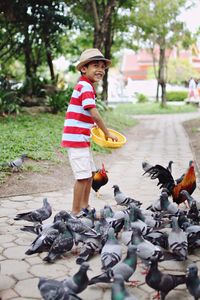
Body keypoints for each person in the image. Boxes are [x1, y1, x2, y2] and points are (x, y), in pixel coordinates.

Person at [61, 48, 118, 216]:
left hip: (82, 138)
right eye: (95, 65)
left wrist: (91, 128)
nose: (100, 69)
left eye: (102, 66)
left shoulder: (87, 86)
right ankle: (75, 211)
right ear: (84, 69)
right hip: (76, 140)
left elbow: (85, 115)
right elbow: (95, 113)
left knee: (90, 174)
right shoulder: (85, 86)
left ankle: (85, 205)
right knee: (82, 177)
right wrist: (106, 133)